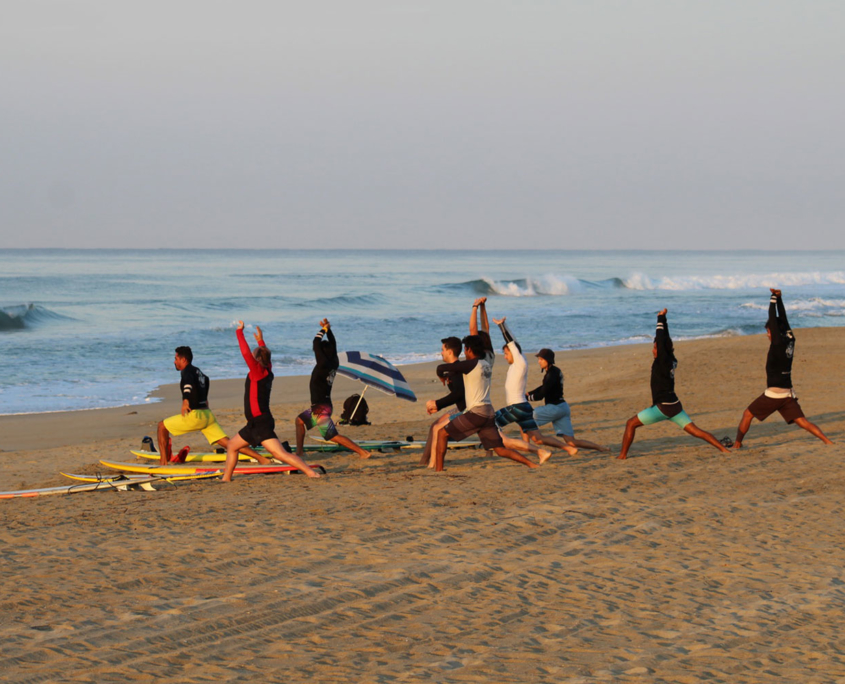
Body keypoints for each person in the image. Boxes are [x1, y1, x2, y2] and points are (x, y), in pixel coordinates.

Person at [432, 302, 539, 472]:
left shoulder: (470, 364)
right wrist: (482, 308)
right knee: (500, 449)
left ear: (468, 349)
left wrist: (475, 307)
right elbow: (484, 330)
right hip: (488, 412)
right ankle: (532, 464)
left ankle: (438, 470)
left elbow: (443, 367)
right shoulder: (486, 361)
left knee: (442, 433)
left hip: (476, 413)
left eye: (465, 349)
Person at [618, 309, 729, 460]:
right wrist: (665, 321)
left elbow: (661, 338)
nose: (653, 350)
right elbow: (665, 339)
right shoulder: (671, 360)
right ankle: (723, 449)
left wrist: (660, 318)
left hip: (663, 407)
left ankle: (622, 455)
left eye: (654, 347)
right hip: (675, 405)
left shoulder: (662, 361)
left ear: (658, 348)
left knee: (631, 423)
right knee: (696, 431)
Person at [733, 289, 833, 448]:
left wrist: (773, 298)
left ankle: (737, 445)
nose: (767, 334)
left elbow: (773, 318)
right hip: (787, 393)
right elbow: (783, 319)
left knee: (748, 414)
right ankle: (828, 441)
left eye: (768, 331)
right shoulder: (791, 340)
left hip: (774, 394)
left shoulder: (777, 344)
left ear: (773, 331)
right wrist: (780, 299)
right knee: (803, 422)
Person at [222, 322, 320, 482]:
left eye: (256, 355)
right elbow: (264, 356)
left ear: (258, 359)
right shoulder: (267, 370)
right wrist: (261, 341)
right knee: (232, 446)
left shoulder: (258, 371)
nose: (252, 356)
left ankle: (310, 472)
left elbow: (245, 352)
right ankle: (226, 479)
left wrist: (239, 332)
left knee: (280, 454)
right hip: (255, 422)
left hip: (260, 422)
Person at [157, 345, 268, 467]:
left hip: (197, 415)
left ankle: (163, 463)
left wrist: (186, 400)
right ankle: (261, 459)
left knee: (162, 426)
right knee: (230, 443)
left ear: (183, 359)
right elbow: (206, 380)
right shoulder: (198, 372)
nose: (174, 361)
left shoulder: (187, 371)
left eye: (176, 358)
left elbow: (187, 385)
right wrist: (204, 399)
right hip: (207, 415)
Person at [492, 317, 578, 462]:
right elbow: (514, 342)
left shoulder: (519, 362)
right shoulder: (517, 363)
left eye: (506, 354)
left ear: (514, 353)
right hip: (524, 407)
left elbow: (511, 343)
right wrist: (506, 325)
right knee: (538, 438)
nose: (505, 357)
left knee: (491, 422)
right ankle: (568, 448)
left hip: (517, 407)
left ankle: (526, 450)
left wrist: (501, 326)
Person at [295, 319, 371, 459]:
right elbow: (333, 345)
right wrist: (328, 329)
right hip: (323, 405)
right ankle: (299, 451)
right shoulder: (333, 363)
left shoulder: (323, 364)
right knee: (299, 421)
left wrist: (323, 330)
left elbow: (315, 343)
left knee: (332, 436)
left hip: (320, 408)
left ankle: (363, 452)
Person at [527, 348, 609, 453]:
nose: (539, 361)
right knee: (571, 442)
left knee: (526, 418)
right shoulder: (555, 371)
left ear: (548, 360)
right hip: (563, 408)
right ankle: (601, 448)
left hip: (554, 408)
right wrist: (529, 393)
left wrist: (526, 398)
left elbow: (541, 395)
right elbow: (544, 387)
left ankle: (527, 448)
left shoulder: (551, 375)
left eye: (541, 359)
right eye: (538, 359)